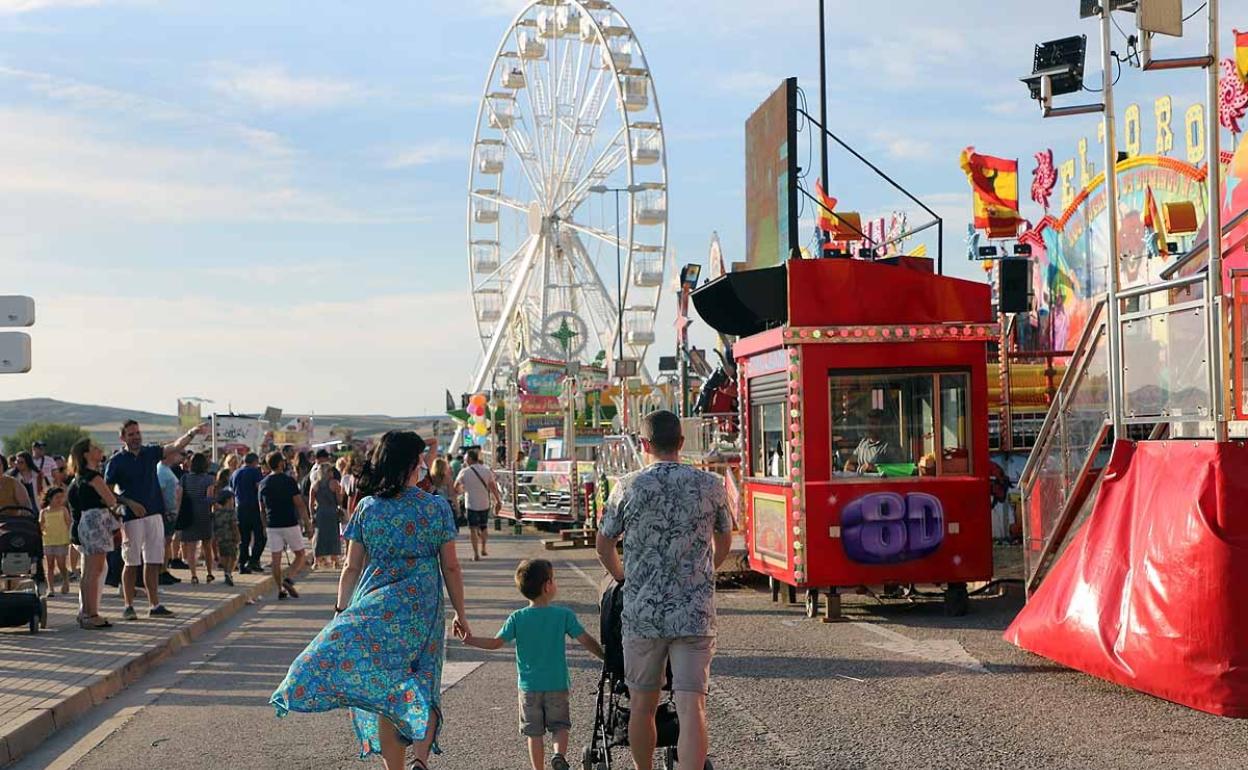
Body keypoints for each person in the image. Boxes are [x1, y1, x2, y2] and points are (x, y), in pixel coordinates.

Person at [271, 431, 468, 770]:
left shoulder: (367, 508)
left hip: (375, 607)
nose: (423, 463)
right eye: (419, 458)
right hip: (423, 609)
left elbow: (351, 567)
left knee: (385, 690)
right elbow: (450, 566)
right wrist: (461, 614)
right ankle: (420, 758)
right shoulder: (435, 507)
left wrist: (341, 612)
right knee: (423, 680)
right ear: (410, 463)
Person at [595, 410, 733, 770]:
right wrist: (704, 572)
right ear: (682, 443)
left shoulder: (627, 486)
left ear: (644, 444)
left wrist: (624, 577)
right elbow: (724, 540)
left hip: (643, 614)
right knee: (692, 707)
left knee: (642, 705)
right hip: (694, 612)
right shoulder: (710, 485)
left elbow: (604, 543)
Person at [462, 559, 603, 770]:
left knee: (534, 733)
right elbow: (586, 640)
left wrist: (470, 640)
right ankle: (558, 755)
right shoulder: (563, 615)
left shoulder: (517, 618)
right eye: (553, 580)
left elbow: (495, 643)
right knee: (560, 726)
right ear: (547, 586)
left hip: (529, 688)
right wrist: (604, 656)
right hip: (556, 684)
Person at [106, 419, 205, 620]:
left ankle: (154, 604)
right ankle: (128, 605)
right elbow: (107, 492)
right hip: (132, 518)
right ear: (122, 438)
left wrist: (192, 433)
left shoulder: (150, 453)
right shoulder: (116, 461)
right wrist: (128, 502)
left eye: (137, 433)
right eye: (131, 434)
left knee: (153, 561)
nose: (136, 437)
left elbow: (175, 446)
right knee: (132, 562)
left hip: (154, 515)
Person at [66, 438, 124, 629]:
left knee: (89, 571)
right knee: (95, 570)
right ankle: (92, 614)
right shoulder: (93, 477)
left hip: (85, 523)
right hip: (96, 522)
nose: (99, 450)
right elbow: (110, 500)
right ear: (86, 454)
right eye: (94, 448)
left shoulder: (78, 477)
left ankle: (85, 612)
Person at [258, 452, 309, 600]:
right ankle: (289, 578)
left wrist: (264, 525)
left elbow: (261, 508)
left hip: (272, 524)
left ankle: (280, 589)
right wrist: (307, 523)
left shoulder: (263, 484)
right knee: (300, 554)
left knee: (276, 560)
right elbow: (299, 504)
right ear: (280, 464)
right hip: (290, 523)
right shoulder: (289, 481)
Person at [454, 448, 501, 561]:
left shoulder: (464, 472)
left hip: (471, 504)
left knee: (473, 529)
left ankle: (476, 554)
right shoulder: (486, 470)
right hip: (484, 503)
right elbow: (493, 487)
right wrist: (498, 500)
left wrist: (462, 490)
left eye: (465, 458)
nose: (464, 461)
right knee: (484, 527)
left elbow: (456, 487)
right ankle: (483, 548)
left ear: (470, 459)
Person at [178, 453, 216, 584]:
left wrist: (178, 512)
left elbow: (179, 497)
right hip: (204, 514)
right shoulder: (209, 479)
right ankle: (209, 573)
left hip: (188, 514)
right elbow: (209, 497)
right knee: (207, 545)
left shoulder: (184, 478)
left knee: (191, 547)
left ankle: (193, 575)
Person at [231, 453, 265, 574]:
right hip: (254, 507)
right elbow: (260, 487)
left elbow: (232, 490)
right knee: (260, 536)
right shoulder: (255, 472)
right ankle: (253, 560)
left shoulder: (235, 473)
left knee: (244, 538)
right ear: (254, 461)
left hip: (239, 508)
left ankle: (242, 563)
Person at [157, 447, 186, 579]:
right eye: (173, 454)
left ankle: (164, 569)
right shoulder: (161, 470)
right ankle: (161, 571)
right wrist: (166, 510)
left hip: (171, 511)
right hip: (167, 512)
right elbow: (160, 492)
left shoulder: (166, 469)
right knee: (164, 541)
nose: (175, 456)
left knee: (167, 541)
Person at [310, 456, 343, 569]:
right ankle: (336, 561)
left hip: (320, 512)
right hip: (332, 511)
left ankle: (316, 561)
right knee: (333, 536)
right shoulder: (334, 483)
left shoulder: (315, 484)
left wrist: (312, 515)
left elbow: (311, 502)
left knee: (319, 536)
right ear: (327, 472)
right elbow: (339, 500)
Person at [39, 487, 72, 597]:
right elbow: (40, 525)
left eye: (61, 497)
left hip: (61, 540)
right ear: (50, 498)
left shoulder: (63, 510)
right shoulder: (44, 511)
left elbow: (68, 523)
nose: (60, 500)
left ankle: (66, 580)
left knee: (61, 564)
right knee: (50, 565)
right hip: (48, 540)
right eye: (57, 497)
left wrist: (69, 537)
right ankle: (51, 588)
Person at [211, 468, 240, 586]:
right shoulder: (231, 512)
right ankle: (229, 572)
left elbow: (214, 526)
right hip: (231, 538)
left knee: (223, 555)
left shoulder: (216, 513)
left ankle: (226, 572)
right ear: (229, 500)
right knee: (233, 556)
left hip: (220, 538)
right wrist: (238, 535)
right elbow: (234, 525)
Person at [852, 409, 897, 473]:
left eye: (873, 424)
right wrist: (860, 469)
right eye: (868, 424)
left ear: (882, 426)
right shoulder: (863, 443)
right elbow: (849, 464)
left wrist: (875, 469)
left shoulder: (889, 446)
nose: (869, 427)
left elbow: (900, 469)